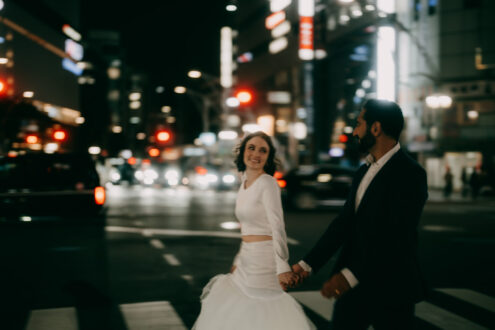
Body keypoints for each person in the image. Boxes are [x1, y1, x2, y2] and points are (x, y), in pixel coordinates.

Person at [291, 99, 428, 330]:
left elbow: (395, 235)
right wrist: (307, 265)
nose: (355, 131)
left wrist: (350, 275)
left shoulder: (410, 174)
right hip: (354, 288)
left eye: (359, 123)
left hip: (392, 286)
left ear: (375, 128)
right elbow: (343, 224)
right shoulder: (363, 171)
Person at [192, 131, 315, 330]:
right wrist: (237, 261)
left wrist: (282, 267)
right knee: (238, 314)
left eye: (263, 150)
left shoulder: (268, 183)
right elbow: (246, 231)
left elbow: (277, 226)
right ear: (242, 153)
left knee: (261, 313)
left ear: (268, 157)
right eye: (251, 148)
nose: (256, 154)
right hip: (246, 260)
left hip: (264, 262)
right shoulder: (245, 183)